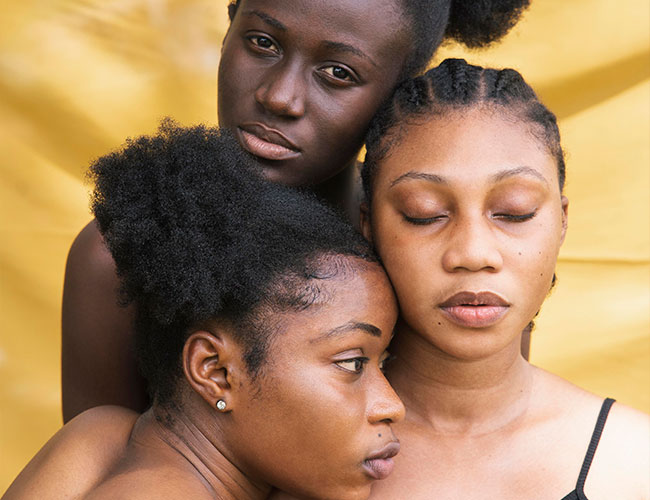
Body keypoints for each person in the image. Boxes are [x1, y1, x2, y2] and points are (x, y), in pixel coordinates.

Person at [61, 0, 532, 422]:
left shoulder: (460, 252)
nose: (279, 97)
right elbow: (95, 468)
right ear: (229, 27)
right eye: (262, 43)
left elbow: (498, 447)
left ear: (398, 91)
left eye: (338, 73)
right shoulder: (124, 255)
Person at [4, 122, 405, 500]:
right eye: (352, 363)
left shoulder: (98, 433)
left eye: (382, 364)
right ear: (214, 370)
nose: (392, 405)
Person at [356, 58, 650, 499]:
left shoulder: (635, 462)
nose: (474, 253)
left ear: (562, 222)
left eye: (514, 212)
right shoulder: (297, 459)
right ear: (369, 226)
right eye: (424, 214)